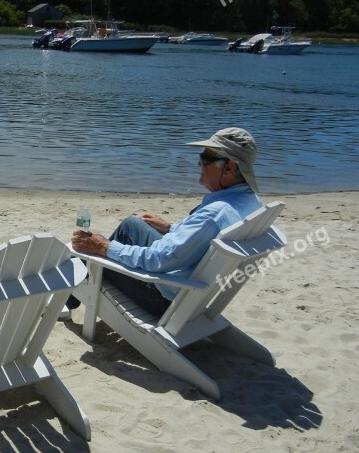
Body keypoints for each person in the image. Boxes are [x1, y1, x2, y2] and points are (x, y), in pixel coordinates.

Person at [70, 127, 264, 316]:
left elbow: (157, 260)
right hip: (193, 289)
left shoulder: (215, 214)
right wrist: (171, 228)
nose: (199, 164)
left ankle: (68, 298)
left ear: (229, 167)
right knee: (131, 225)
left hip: (164, 296)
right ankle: (72, 294)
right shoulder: (250, 201)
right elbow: (201, 238)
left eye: (206, 158)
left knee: (87, 247)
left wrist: (104, 247)